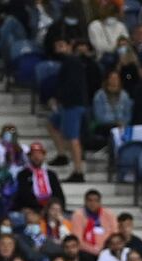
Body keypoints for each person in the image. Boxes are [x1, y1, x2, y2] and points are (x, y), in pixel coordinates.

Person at [47, 38, 88, 182]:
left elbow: (71, 84)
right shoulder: (67, 62)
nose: (58, 49)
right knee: (52, 123)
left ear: (69, 46)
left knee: (73, 138)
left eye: (61, 45)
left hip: (72, 104)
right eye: (56, 46)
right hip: (66, 104)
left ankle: (78, 171)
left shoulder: (72, 61)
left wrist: (59, 98)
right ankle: (62, 155)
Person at [13, 142, 65, 211]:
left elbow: (59, 194)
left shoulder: (51, 174)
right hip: (32, 209)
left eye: (39, 154)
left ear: (44, 156)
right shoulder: (23, 174)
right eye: (33, 154)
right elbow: (23, 195)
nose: (36, 157)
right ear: (29, 156)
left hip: (50, 210)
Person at [71, 189, 118, 257]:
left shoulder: (109, 214)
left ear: (100, 202)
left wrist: (105, 250)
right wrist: (95, 251)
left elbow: (115, 235)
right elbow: (77, 240)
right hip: (86, 252)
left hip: (108, 250)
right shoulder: (78, 215)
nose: (93, 203)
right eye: (90, 200)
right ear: (85, 201)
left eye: (96, 201)